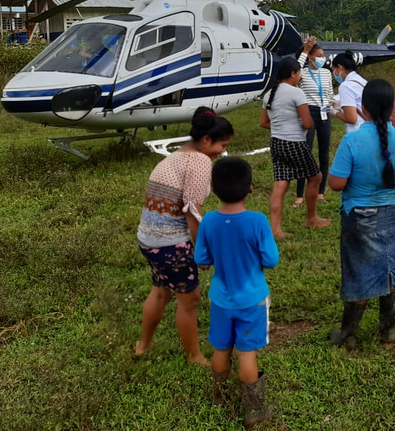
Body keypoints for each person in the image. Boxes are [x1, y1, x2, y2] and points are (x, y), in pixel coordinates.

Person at [134, 106, 234, 366]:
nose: (223, 151)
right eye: (222, 145)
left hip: (149, 240)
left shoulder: (177, 156)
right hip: (171, 244)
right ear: (205, 141)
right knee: (190, 299)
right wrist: (202, 251)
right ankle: (194, 356)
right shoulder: (200, 161)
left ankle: (143, 346)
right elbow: (193, 212)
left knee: (160, 292)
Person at [327, 79, 395, 349]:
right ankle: (388, 333)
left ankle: (348, 335)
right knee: (393, 271)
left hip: (361, 217)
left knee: (359, 272)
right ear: (391, 109)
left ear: (363, 107)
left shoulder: (352, 140)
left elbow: (336, 183)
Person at [194, 157, 280, 428]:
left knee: (221, 349)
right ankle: (255, 410)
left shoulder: (208, 220)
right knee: (247, 354)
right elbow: (271, 259)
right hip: (252, 300)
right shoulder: (257, 221)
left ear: (214, 189)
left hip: (221, 298)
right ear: (250, 188)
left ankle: (220, 396)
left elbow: (201, 258)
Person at [260, 56, 331, 239]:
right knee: (315, 176)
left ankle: (275, 229)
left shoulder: (269, 94)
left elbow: (264, 122)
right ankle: (311, 218)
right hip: (294, 143)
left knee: (280, 184)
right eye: (299, 73)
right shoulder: (296, 93)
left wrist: (281, 125)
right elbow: (307, 123)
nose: (300, 77)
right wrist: (298, 123)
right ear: (293, 74)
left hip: (277, 142)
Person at [292, 36, 334, 209]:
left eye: (323, 55)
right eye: (318, 55)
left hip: (324, 112)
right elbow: (294, 69)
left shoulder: (326, 72)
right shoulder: (302, 72)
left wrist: (331, 109)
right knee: (305, 153)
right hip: (308, 112)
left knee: (324, 154)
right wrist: (306, 50)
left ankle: (320, 193)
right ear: (310, 57)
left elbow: (330, 93)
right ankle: (300, 195)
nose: (322, 58)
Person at [330, 51, 368, 133]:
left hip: (357, 131)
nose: (334, 74)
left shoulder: (346, 86)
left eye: (334, 70)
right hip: (369, 128)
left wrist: (335, 112)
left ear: (340, 68)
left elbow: (351, 119)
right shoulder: (362, 81)